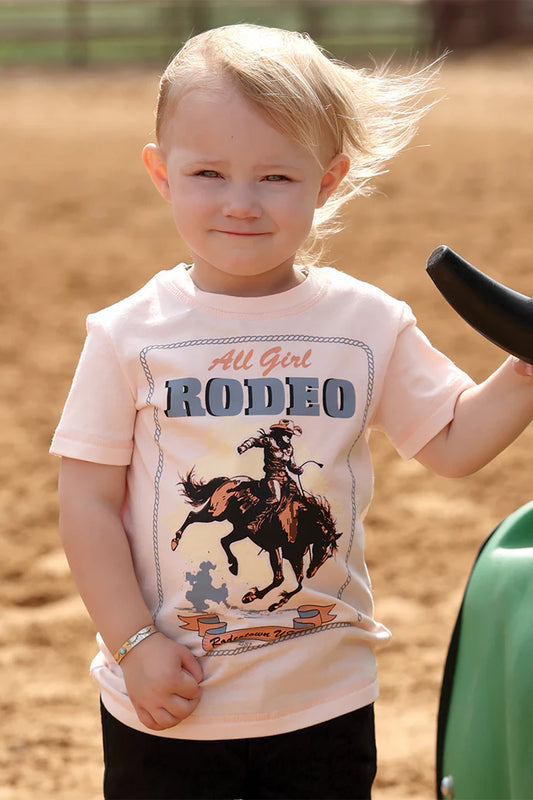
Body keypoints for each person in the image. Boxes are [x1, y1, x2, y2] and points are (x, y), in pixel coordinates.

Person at [50, 23, 533, 800]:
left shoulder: (364, 323)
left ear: (328, 178)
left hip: (325, 701)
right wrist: (133, 642)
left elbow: (451, 440)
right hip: (169, 699)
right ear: (161, 173)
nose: (240, 204)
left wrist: (522, 372)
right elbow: (87, 502)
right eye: (208, 172)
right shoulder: (126, 335)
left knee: (286, 502)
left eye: (276, 177)